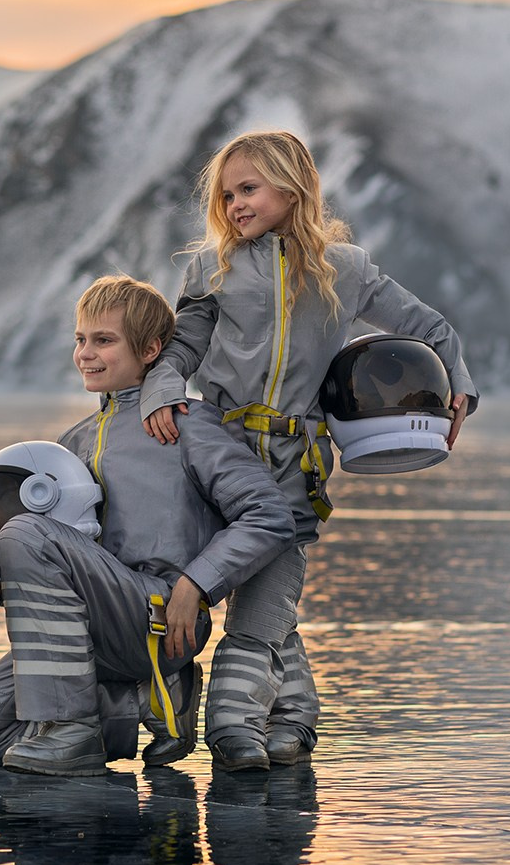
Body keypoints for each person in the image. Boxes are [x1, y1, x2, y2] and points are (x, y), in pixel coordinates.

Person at [141, 129, 479, 772]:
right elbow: (181, 348)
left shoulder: (345, 270)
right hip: (217, 455)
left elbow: (430, 328)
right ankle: (291, 718)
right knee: (258, 588)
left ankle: (234, 731)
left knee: (266, 596)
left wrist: (456, 388)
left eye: (249, 189)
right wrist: (162, 392)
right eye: (226, 194)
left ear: (292, 188)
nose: (235, 203)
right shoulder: (209, 268)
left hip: (297, 462)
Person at [0, 274, 296, 777]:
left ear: (151, 349)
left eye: (103, 340)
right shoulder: (73, 443)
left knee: (23, 530)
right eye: (80, 339)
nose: (86, 353)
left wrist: (196, 585)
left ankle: (71, 730)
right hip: (95, 630)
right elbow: (62, 554)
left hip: (163, 616)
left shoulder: (188, 424)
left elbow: (270, 515)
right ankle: (143, 701)